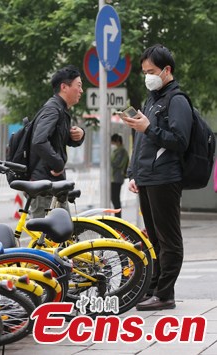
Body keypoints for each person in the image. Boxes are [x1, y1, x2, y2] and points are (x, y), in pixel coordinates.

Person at [120, 44, 193, 311]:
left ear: (167, 70)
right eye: (144, 72)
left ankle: (165, 295)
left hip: (165, 178)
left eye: (151, 71)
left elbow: (180, 141)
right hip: (147, 178)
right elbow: (143, 141)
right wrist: (133, 172)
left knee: (168, 239)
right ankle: (152, 288)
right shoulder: (152, 100)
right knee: (152, 238)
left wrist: (149, 128)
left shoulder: (177, 100)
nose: (147, 76)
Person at [28, 65, 85, 218]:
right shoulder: (53, 109)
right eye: (78, 86)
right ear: (64, 87)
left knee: (62, 233)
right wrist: (58, 163)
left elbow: (58, 140)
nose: (81, 90)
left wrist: (79, 134)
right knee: (44, 237)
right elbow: (39, 141)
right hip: (44, 185)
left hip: (54, 184)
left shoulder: (61, 109)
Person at [110, 133, 129, 218]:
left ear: (117, 141)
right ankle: (117, 216)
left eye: (113, 142)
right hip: (115, 178)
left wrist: (108, 160)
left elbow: (116, 163)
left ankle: (118, 217)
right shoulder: (118, 151)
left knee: (115, 199)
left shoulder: (121, 151)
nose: (112, 144)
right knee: (114, 198)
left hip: (117, 178)